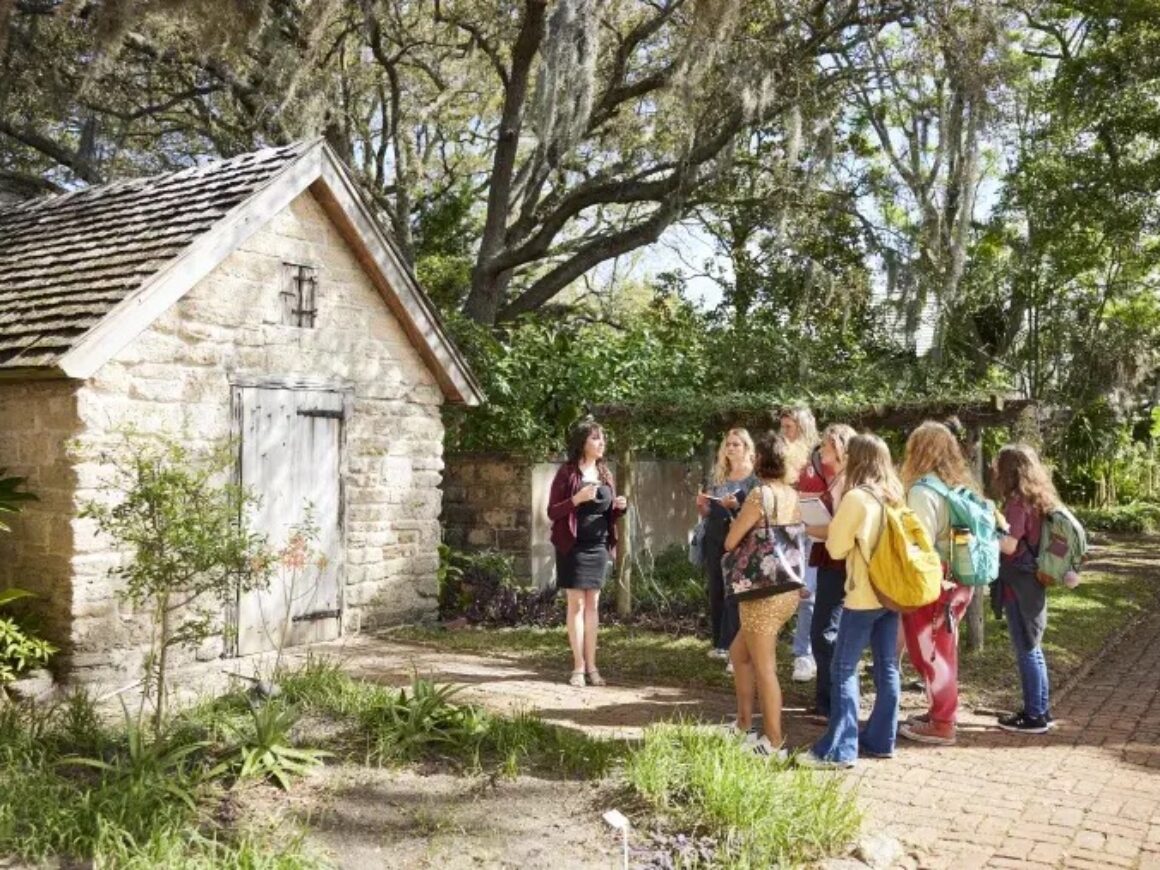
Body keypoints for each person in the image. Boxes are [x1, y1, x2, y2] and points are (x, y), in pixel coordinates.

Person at [803, 433, 903, 768]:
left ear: (856, 459)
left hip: (863, 594)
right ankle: (881, 739)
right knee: (887, 666)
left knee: (843, 667)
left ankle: (840, 749)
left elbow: (835, 547)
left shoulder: (857, 498)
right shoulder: (895, 494)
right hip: (892, 593)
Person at [722, 432, 805, 760]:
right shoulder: (791, 494)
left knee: (764, 666)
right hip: (787, 587)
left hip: (760, 591)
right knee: (739, 653)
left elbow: (731, 542)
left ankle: (773, 742)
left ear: (759, 460)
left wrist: (734, 518)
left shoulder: (760, 495)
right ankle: (744, 725)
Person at [896, 421, 979, 746]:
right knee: (942, 647)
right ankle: (937, 713)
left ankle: (943, 723)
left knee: (934, 652)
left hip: (935, 580)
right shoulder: (955, 486)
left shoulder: (922, 491)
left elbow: (921, 545)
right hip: (959, 578)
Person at [991, 444, 1067, 734]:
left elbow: (1009, 545)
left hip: (1018, 584)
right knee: (1033, 647)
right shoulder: (1038, 499)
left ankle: (1034, 715)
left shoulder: (1017, 502)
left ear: (1010, 470)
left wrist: (986, 529)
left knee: (1026, 648)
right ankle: (1040, 710)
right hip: (1033, 580)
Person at [547, 420, 628, 688]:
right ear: (582, 442)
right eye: (596, 438)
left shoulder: (605, 473)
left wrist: (619, 506)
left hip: (597, 547)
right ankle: (578, 667)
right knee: (576, 604)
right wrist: (576, 500)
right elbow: (552, 511)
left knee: (593, 603)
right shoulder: (567, 473)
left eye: (603, 438)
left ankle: (593, 666)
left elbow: (608, 513)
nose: (602, 443)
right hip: (572, 546)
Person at [801, 423, 856, 723]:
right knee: (823, 630)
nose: (821, 450)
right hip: (828, 558)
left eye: (826, 444)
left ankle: (830, 702)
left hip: (838, 561)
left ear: (842, 448)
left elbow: (840, 528)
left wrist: (813, 526)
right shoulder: (836, 479)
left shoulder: (849, 483)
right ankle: (825, 698)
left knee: (824, 631)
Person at [696, 429, 759, 661]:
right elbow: (707, 511)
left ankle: (733, 642)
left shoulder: (755, 478)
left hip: (741, 535)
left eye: (736, 444)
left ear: (746, 447)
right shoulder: (718, 476)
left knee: (736, 589)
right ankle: (719, 644)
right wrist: (702, 506)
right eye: (728, 444)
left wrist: (736, 506)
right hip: (715, 533)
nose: (731, 448)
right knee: (716, 588)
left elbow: (757, 510)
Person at [780, 405, 820, 683]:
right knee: (780, 591)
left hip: (814, 531)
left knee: (808, 593)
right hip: (786, 529)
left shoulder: (818, 455)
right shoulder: (779, 454)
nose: (784, 432)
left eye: (789, 427)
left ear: (803, 427)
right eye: (782, 427)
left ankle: (804, 655)